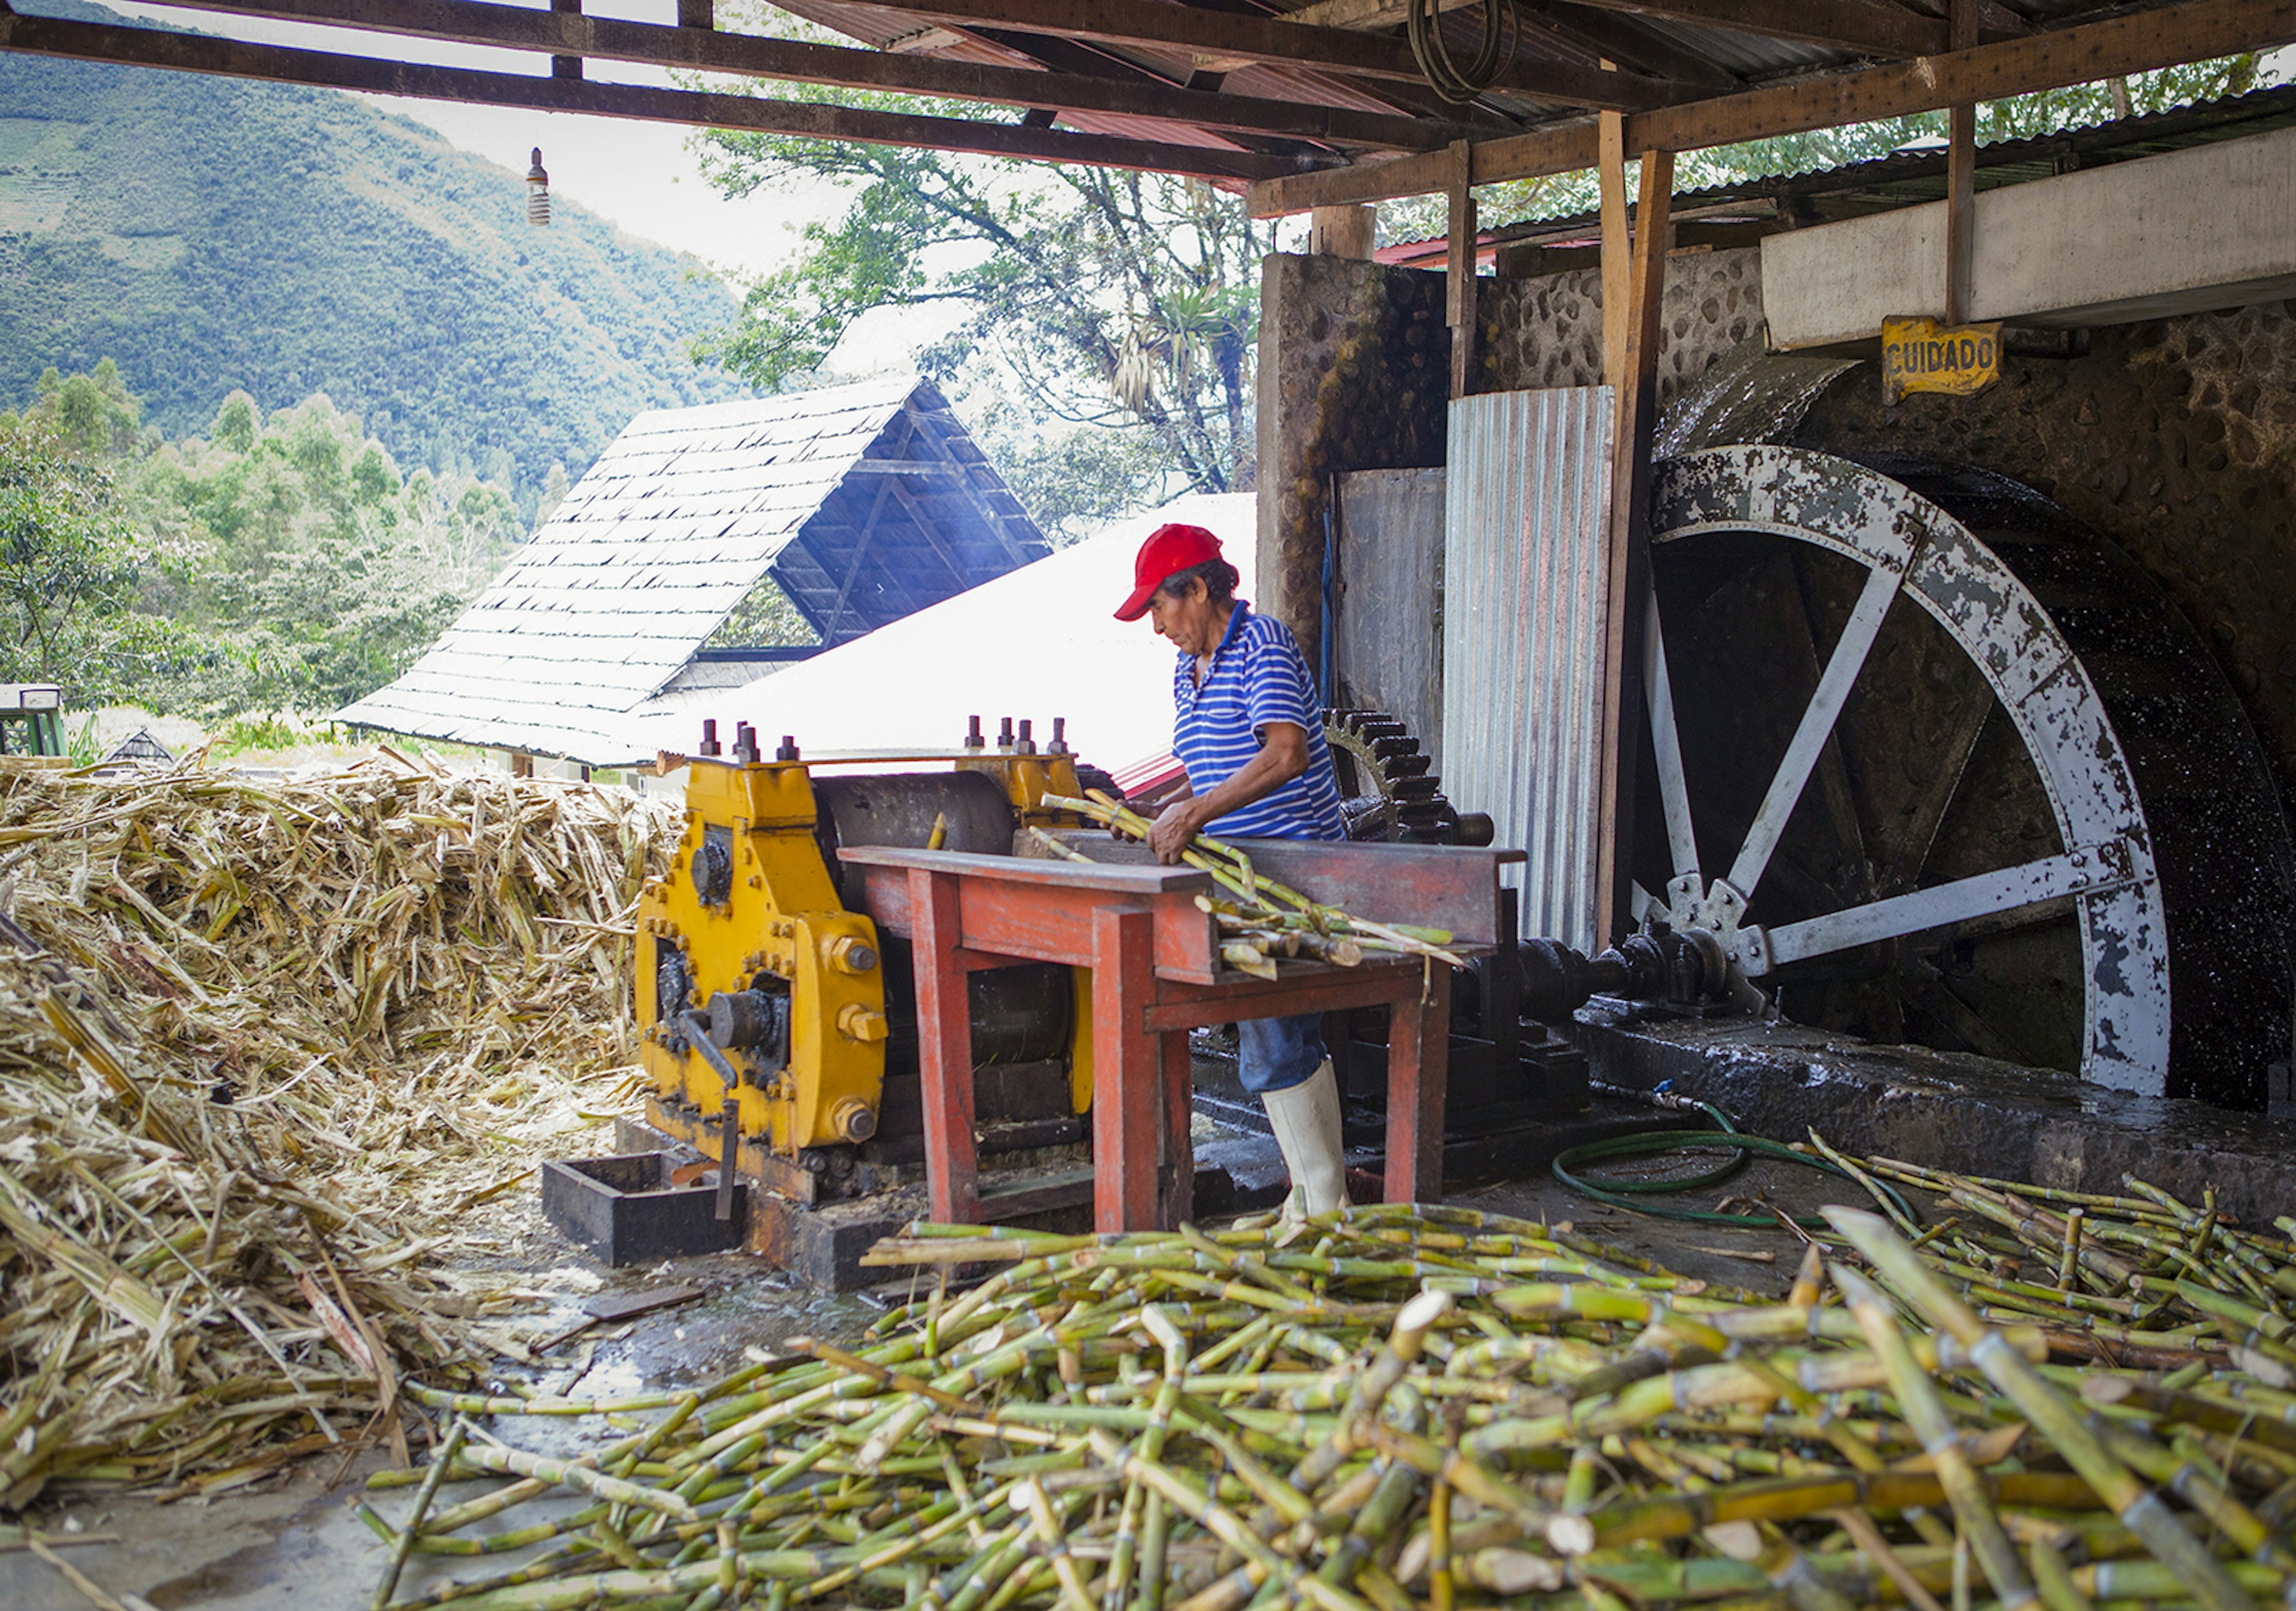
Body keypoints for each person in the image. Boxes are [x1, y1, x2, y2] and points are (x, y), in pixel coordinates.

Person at [1113, 521, 1350, 1216]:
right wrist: (1160, 809)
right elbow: (1211, 772)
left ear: (1197, 589)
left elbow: (1285, 755)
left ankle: (1325, 1206)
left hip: (1297, 871)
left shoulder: (1261, 644)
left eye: (1160, 606)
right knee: (1276, 1036)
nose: (1157, 626)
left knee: (1276, 1035)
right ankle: (1310, 1199)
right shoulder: (1186, 671)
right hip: (1238, 874)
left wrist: (1193, 814)